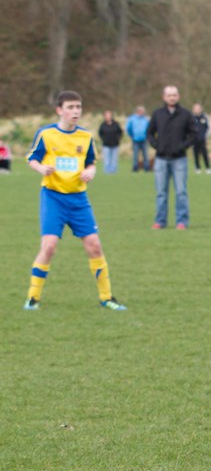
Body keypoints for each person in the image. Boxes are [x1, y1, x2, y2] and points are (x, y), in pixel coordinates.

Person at [23, 91, 126, 311]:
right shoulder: (46, 134)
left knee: (94, 246)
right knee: (49, 247)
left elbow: (91, 162)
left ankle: (107, 297)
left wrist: (91, 172)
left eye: (78, 107)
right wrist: (41, 168)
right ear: (59, 110)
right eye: (70, 107)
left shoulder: (86, 136)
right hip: (53, 197)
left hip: (79, 199)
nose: (76, 111)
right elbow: (32, 158)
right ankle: (33, 297)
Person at [147, 85, 195, 230]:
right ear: (164, 97)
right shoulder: (157, 114)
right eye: (169, 95)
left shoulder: (186, 114)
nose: (172, 97)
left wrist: (182, 146)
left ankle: (182, 221)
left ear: (178, 96)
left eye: (174, 95)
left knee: (181, 192)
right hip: (161, 159)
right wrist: (157, 145)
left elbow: (194, 134)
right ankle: (160, 221)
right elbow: (149, 133)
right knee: (161, 192)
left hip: (179, 159)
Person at [125, 105, 150, 173]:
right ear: (137, 111)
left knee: (145, 155)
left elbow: (150, 128)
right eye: (141, 111)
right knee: (135, 155)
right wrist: (132, 135)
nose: (142, 112)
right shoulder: (132, 119)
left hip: (144, 139)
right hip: (135, 139)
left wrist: (148, 136)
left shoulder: (146, 119)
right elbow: (128, 128)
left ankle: (147, 167)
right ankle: (135, 167)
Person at [97, 110, 123, 175]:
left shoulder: (116, 124)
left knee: (114, 159)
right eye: (107, 116)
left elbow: (120, 132)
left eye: (109, 115)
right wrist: (104, 139)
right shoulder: (103, 125)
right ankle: (107, 172)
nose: (108, 117)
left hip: (115, 144)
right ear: (105, 117)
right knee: (107, 160)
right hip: (106, 145)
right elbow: (100, 133)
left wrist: (118, 139)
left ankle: (114, 172)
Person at [191, 102, 211, 174]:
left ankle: (208, 168)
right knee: (195, 154)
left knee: (205, 154)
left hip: (202, 139)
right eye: (195, 108)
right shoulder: (191, 118)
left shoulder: (204, 117)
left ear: (201, 109)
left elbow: (208, 128)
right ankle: (197, 168)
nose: (196, 110)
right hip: (194, 140)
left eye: (198, 108)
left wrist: (205, 136)